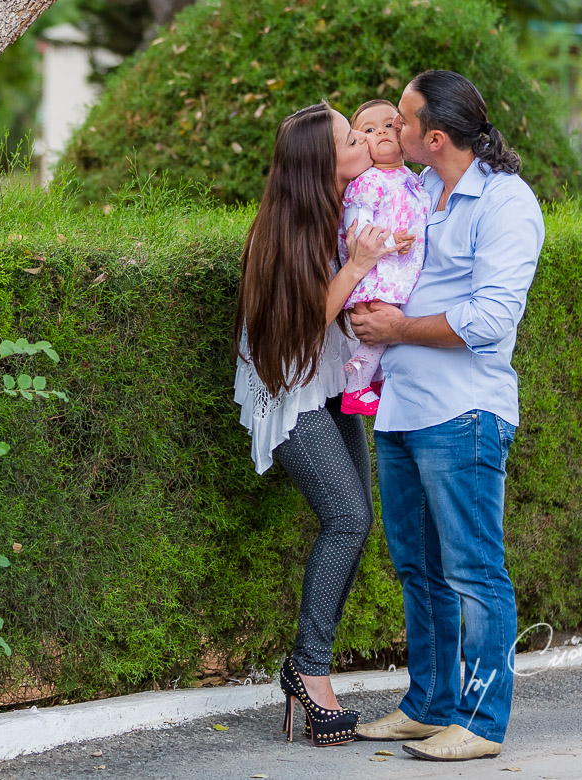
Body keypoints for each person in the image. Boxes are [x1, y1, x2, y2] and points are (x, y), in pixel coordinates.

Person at [349, 71, 545, 762]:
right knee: (418, 568)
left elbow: (491, 318)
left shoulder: (505, 203)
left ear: (434, 136)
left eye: (399, 121)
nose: (387, 132)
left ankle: (482, 721)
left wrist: (396, 328)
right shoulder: (421, 190)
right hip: (402, 408)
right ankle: (429, 706)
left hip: (465, 412)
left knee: (473, 571)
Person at [232, 102, 411, 747]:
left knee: (357, 519)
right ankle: (309, 675)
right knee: (349, 518)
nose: (364, 141)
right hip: (293, 393)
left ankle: (309, 668)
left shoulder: (345, 207)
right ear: (321, 162)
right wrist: (359, 266)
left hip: (337, 384)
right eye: (349, 137)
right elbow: (304, 328)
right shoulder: (281, 232)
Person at [336, 99, 432, 416]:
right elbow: (357, 229)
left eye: (390, 125)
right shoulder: (367, 183)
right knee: (376, 334)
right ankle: (355, 387)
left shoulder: (414, 178)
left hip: (402, 272)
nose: (383, 132)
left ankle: (372, 383)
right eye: (370, 130)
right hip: (377, 273)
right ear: (362, 144)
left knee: (386, 335)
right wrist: (391, 241)